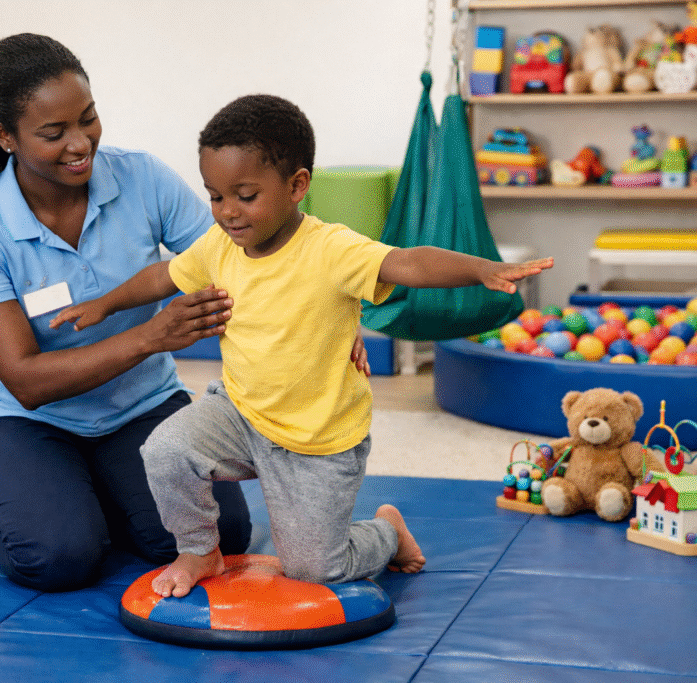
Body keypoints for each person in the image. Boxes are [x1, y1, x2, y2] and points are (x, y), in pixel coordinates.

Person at [51, 93, 554, 598]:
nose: (227, 212)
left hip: (318, 440)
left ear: (297, 186)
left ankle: (385, 533)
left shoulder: (331, 248)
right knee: (165, 450)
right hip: (241, 413)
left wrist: (481, 269)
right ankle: (199, 551)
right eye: (215, 195)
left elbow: (408, 263)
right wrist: (106, 304)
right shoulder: (221, 245)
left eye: (245, 196)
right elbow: (165, 275)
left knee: (315, 571)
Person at [0, 33, 260, 592]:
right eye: (54, 134)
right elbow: (25, 380)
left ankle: (96, 494)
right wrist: (150, 336)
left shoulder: (142, 179)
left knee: (222, 537)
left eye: (88, 119)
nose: (80, 143)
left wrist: (326, 319)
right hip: (24, 422)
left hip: (140, 407)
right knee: (59, 557)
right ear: (4, 136)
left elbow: (242, 261)